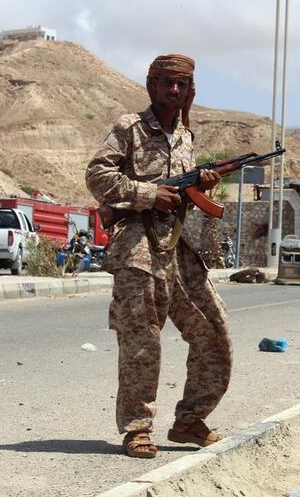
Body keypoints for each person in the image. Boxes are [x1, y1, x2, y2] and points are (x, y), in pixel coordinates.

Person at [85, 54, 231, 459]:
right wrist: (149, 194)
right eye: (166, 83)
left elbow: (184, 195)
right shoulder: (128, 128)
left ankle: (189, 420)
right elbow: (98, 175)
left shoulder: (185, 135)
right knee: (142, 343)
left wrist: (202, 184)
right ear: (151, 85)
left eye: (181, 85)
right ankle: (137, 429)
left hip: (178, 250)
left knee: (213, 331)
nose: (174, 90)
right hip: (138, 251)